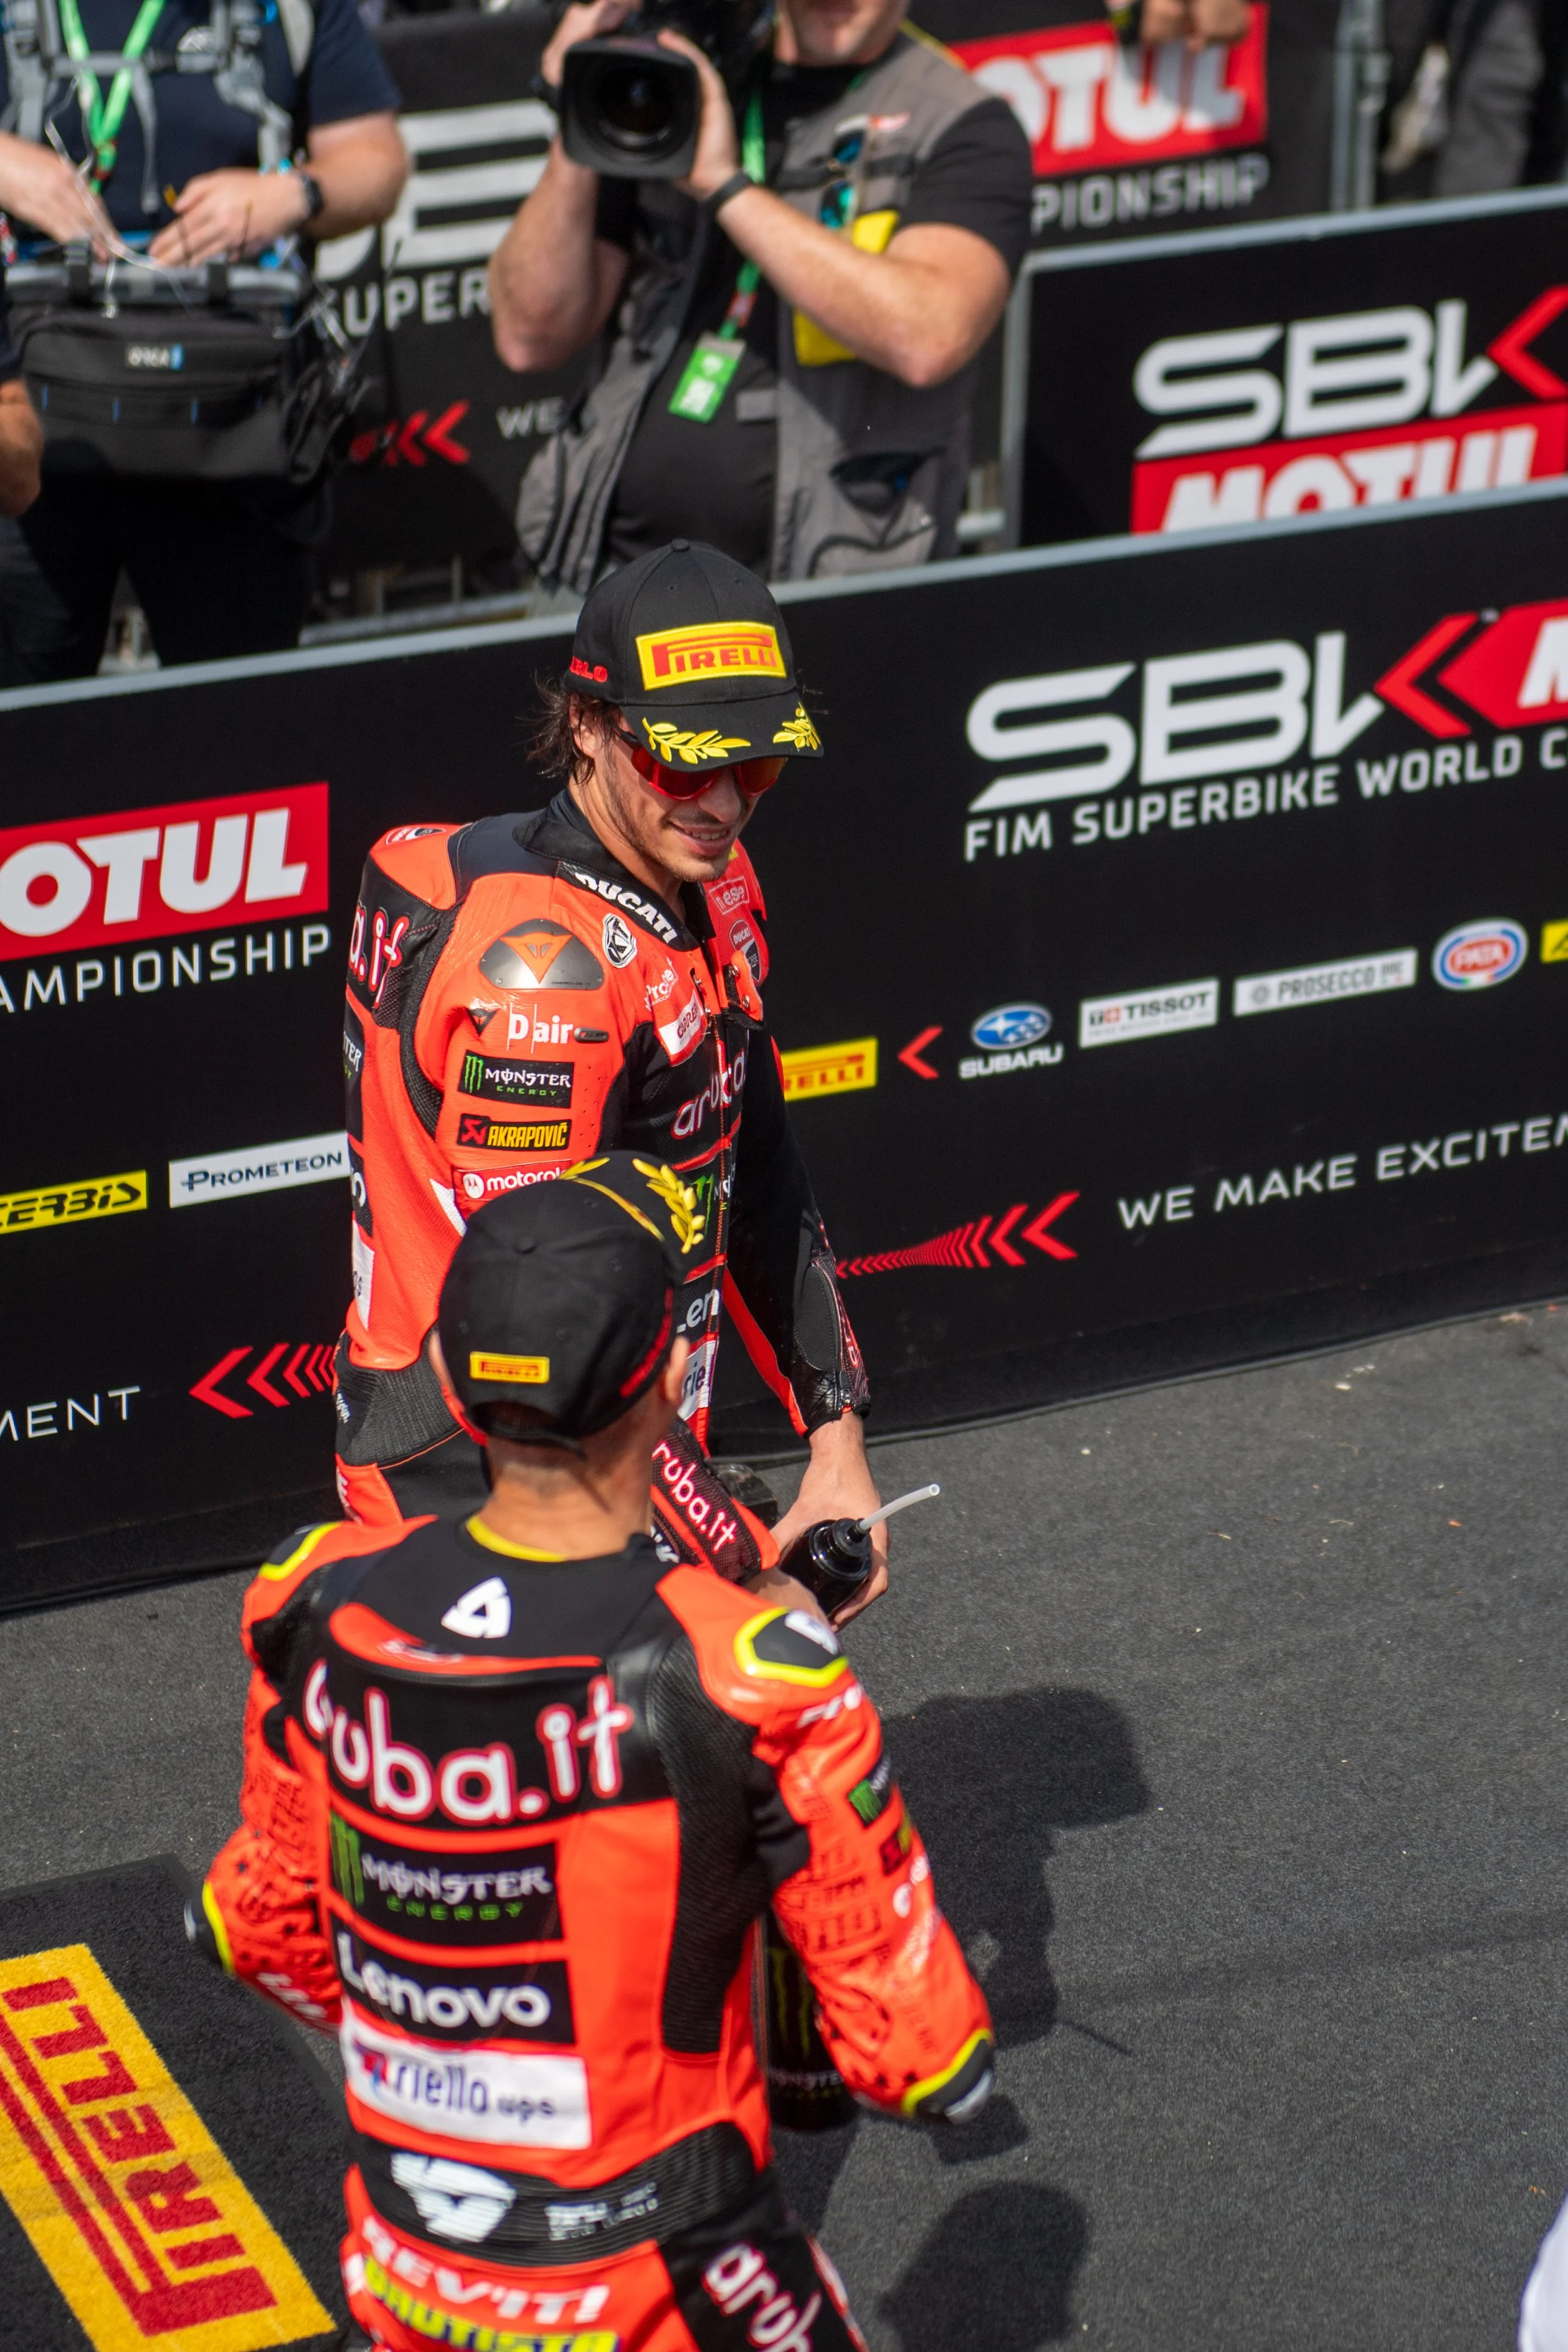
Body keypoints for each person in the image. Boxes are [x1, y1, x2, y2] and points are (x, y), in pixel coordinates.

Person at [193, 1154, 993, 2352]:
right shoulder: (757, 1666)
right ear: (671, 1377)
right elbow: (923, 2057)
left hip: (412, 2272)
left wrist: (447, 2044)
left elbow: (254, 1928)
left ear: (454, 1384)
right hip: (666, 2280)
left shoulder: (314, 1603)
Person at [338, 537, 886, 1607]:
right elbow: (544, 1333)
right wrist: (734, 1560)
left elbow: (756, 1163)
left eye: (758, 763)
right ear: (586, 728)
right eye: (686, 761)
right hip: (477, 1484)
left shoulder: (710, 883)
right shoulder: (536, 976)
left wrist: (837, 1435)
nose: (725, 803)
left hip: (630, 1454)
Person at [488, 0, 1033, 587]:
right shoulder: (686, 75)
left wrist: (725, 186)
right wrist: (587, 101)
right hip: (609, 579)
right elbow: (529, 336)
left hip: (820, 587)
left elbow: (929, 335)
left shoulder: (963, 122)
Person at [0, 0, 406, 681]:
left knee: (234, 742)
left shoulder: (287, 10)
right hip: (30, 425)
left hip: (230, 426)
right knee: (24, 739)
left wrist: (294, 194)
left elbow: (378, 160)